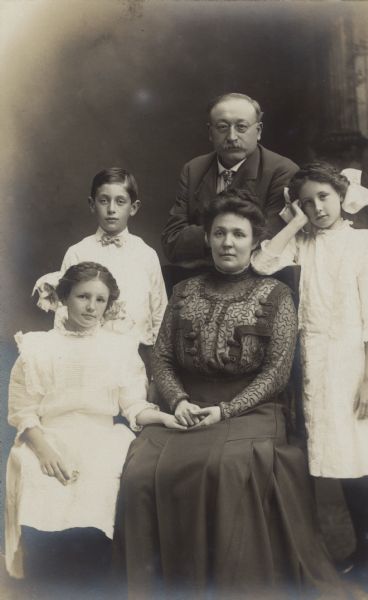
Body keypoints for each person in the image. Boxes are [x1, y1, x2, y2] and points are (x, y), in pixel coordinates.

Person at [114, 190, 344, 599]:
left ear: (256, 240)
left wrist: (226, 410)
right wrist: (179, 400)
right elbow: (162, 358)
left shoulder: (276, 295)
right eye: (219, 233)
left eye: (238, 234)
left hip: (253, 409)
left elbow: (276, 373)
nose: (227, 243)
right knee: (139, 471)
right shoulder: (185, 291)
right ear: (207, 239)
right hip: (185, 406)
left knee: (227, 465)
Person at [252, 162, 368, 594]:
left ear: (341, 195)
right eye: (307, 202)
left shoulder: (363, 243)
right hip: (318, 364)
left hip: (357, 362)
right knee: (343, 463)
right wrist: (295, 222)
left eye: (324, 196)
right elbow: (263, 262)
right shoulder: (302, 244)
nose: (318, 207)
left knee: (365, 463)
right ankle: (361, 554)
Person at [5, 262, 184, 597]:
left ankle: (93, 578)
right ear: (64, 298)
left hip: (101, 435)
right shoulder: (37, 347)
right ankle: (46, 579)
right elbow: (23, 411)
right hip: (49, 434)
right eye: (82, 296)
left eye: (100, 300)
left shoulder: (118, 347)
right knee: (35, 470)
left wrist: (164, 417)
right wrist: (43, 450)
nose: (91, 306)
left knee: (102, 475)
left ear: (109, 304)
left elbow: (133, 405)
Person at [161, 92, 298, 270]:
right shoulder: (194, 169)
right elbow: (171, 241)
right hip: (198, 279)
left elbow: (268, 242)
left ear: (258, 131)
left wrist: (207, 236)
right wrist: (229, 235)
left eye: (241, 127)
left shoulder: (282, 171)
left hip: (257, 280)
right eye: (222, 127)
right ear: (210, 132)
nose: (232, 136)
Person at [59, 167, 167, 377]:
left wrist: (158, 372)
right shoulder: (78, 252)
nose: (111, 209)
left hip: (138, 356)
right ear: (92, 204)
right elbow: (62, 310)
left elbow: (160, 313)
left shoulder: (146, 255)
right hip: (89, 355)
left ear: (133, 207)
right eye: (103, 200)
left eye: (120, 201)